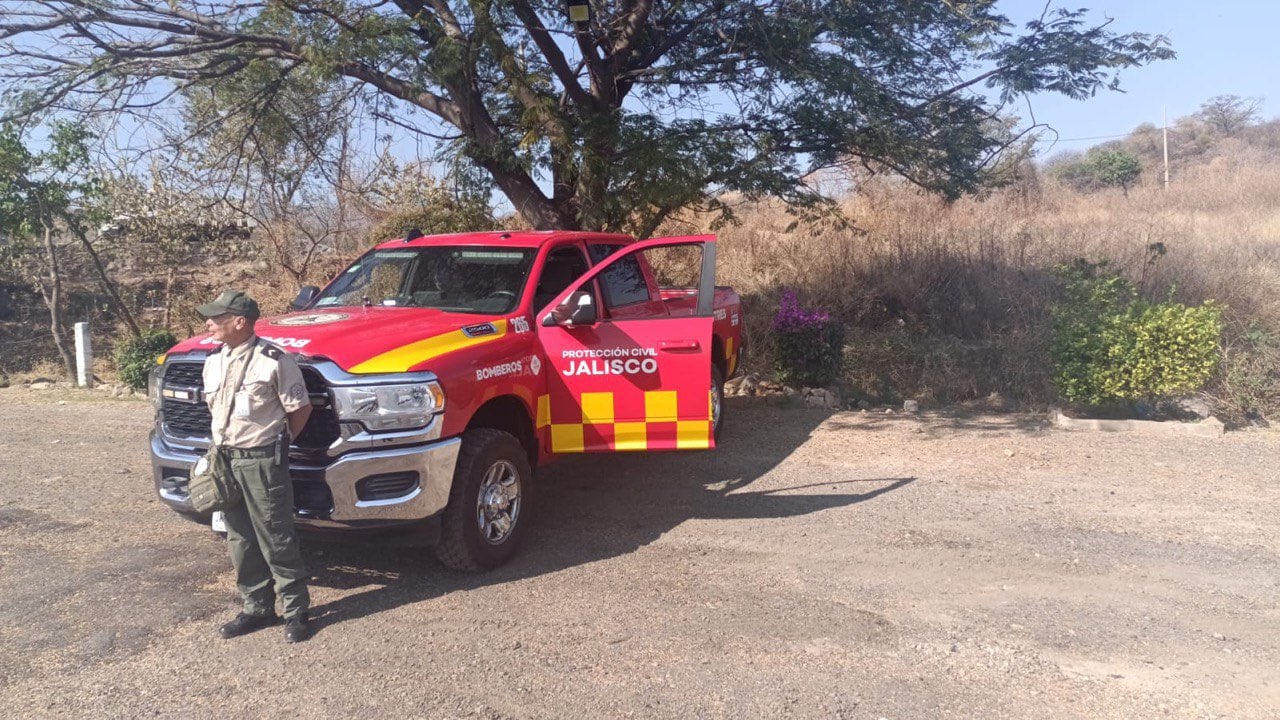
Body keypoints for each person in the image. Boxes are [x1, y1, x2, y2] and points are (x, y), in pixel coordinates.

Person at [196, 290, 314, 643]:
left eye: (217, 318)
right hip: (226, 458)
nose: (209, 323)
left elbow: (300, 409)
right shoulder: (213, 361)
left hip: (262, 459)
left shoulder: (274, 360)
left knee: (275, 537)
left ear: (239, 322)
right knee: (240, 539)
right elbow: (215, 409)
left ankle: (296, 612)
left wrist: (278, 443)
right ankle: (256, 608)